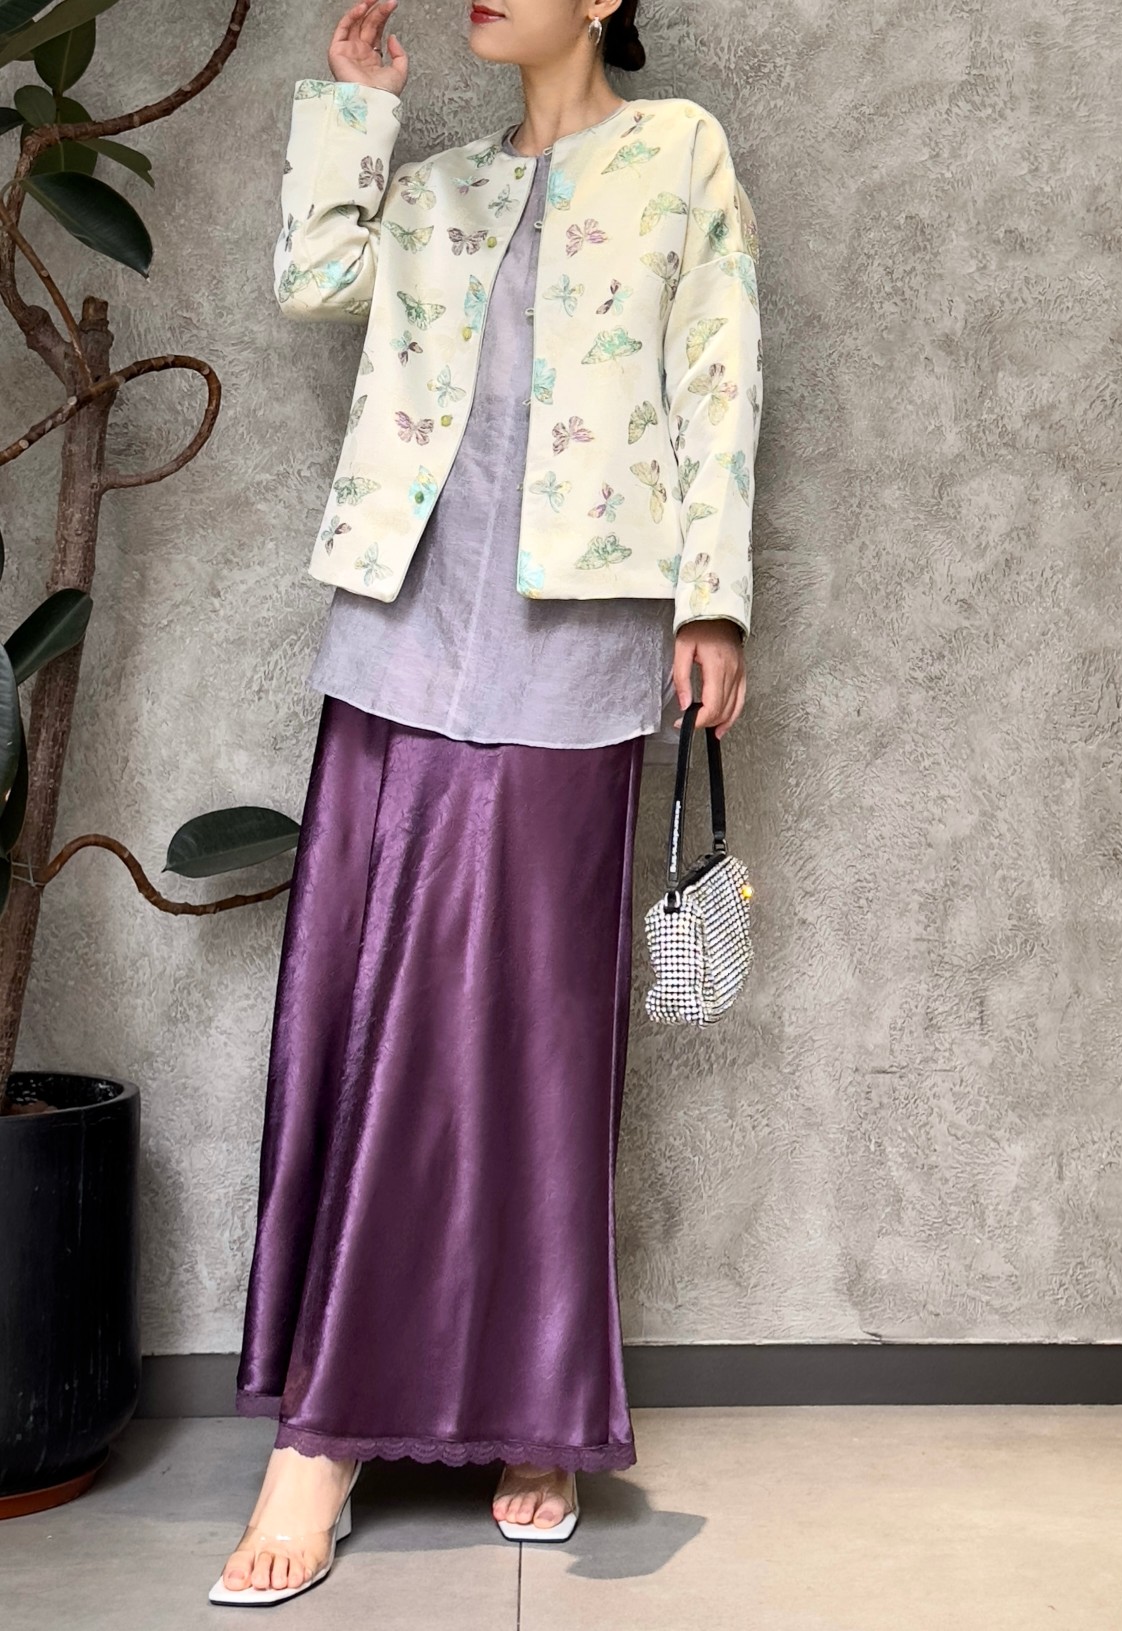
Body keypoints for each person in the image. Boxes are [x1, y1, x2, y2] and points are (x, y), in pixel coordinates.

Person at [211, 0, 762, 1601]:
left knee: (535, 1025)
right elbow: (315, 278)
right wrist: (354, 106)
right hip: (402, 631)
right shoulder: (441, 183)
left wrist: (712, 599)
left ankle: (537, 1407)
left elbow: (718, 376)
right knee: (362, 1006)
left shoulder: (681, 153)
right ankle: (319, 1436)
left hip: (576, 642)